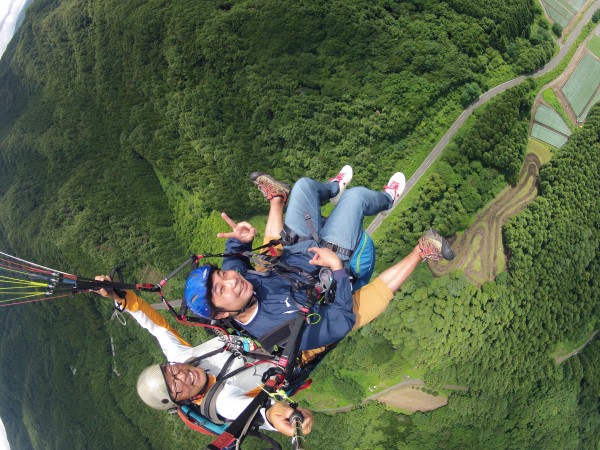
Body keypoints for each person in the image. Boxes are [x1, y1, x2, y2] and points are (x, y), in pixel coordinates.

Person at [184, 166, 455, 352]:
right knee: (356, 198)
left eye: (222, 275)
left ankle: (331, 189)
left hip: (298, 253)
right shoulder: (279, 331)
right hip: (328, 270)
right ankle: (387, 199)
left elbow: (233, 259)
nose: (231, 280)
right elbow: (339, 323)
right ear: (222, 314)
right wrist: (337, 269)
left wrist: (240, 239)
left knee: (303, 186)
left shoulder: (237, 281)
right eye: (221, 289)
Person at [93, 282, 314, 438]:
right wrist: (282, 417)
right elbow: (257, 414)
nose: (181, 375)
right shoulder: (222, 401)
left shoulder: (183, 359)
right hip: (302, 346)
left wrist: (122, 298)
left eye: (171, 371)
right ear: (181, 402)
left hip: (262, 318)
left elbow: (156, 327)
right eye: (175, 386)